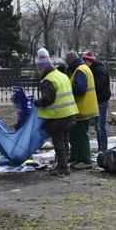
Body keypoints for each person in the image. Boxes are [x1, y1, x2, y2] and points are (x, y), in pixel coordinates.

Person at [34, 48, 79, 176]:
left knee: (58, 142)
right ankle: (64, 165)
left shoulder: (48, 80)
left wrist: (37, 103)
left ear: (42, 68)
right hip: (70, 114)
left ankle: (63, 167)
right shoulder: (62, 75)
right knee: (65, 141)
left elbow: (48, 99)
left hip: (58, 117)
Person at [66, 51, 99, 170]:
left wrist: (69, 88)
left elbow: (80, 89)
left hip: (83, 109)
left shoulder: (80, 70)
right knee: (76, 134)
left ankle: (85, 160)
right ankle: (76, 157)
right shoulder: (83, 68)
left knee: (81, 135)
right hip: (85, 108)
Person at [83, 51, 111, 153]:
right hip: (99, 100)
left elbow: (98, 86)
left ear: (88, 61)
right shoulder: (95, 69)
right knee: (98, 126)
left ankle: (103, 149)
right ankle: (101, 148)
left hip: (101, 101)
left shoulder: (99, 70)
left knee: (100, 126)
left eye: (84, 61)